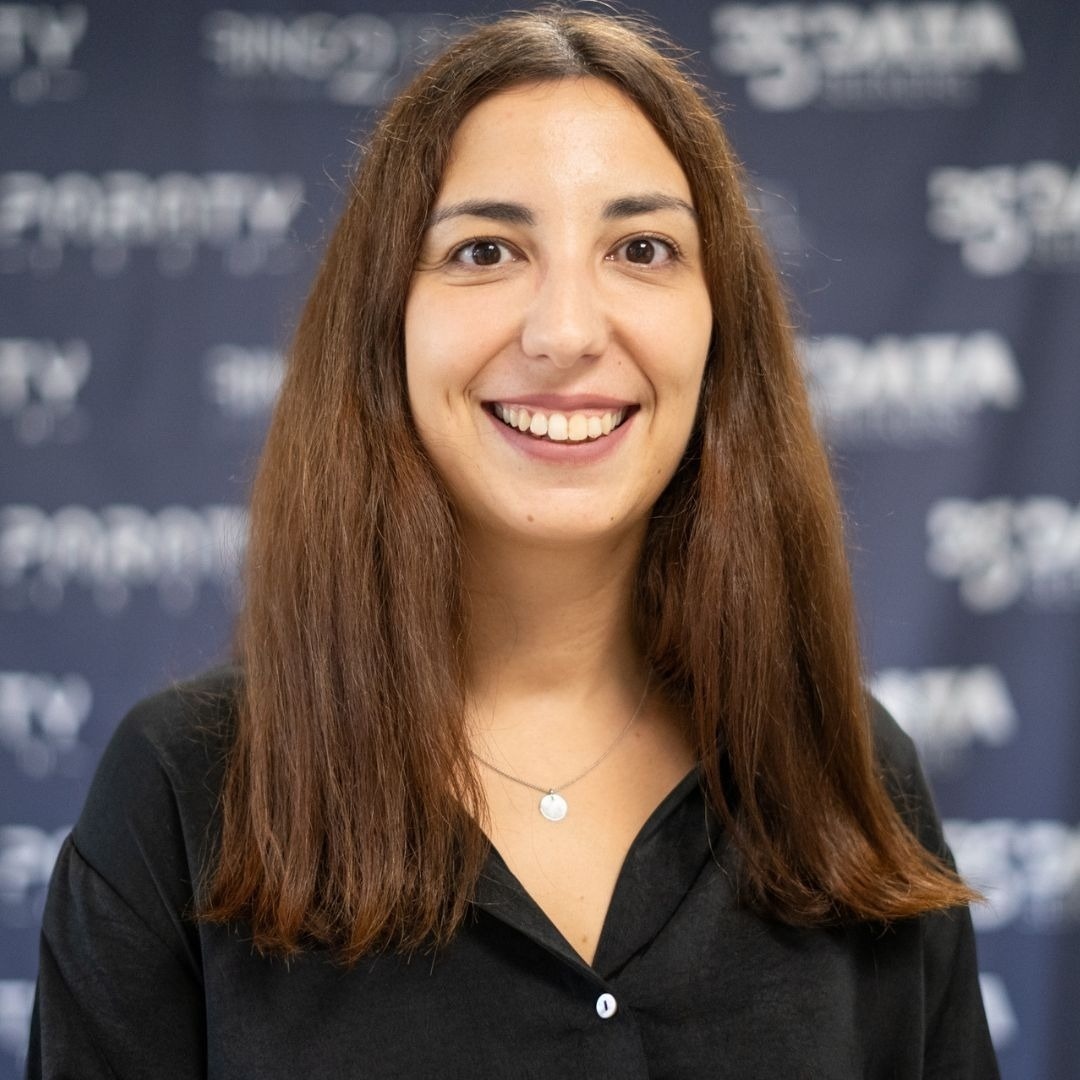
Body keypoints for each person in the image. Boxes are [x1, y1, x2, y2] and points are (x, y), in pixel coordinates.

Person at [27, 7, 999, 1078]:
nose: (567, 331)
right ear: (381, 328)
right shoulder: (184, 792)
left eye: (642, 248)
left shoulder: (844, 773)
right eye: (485, 250)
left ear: (722, 330)